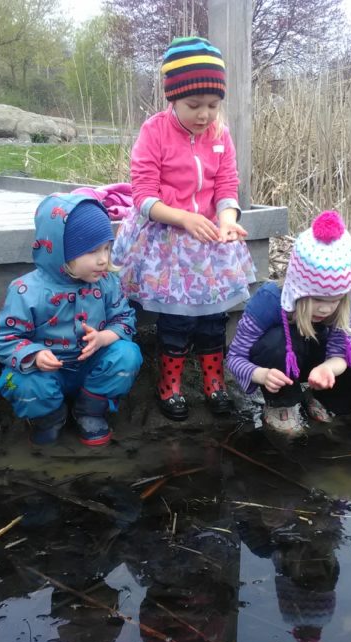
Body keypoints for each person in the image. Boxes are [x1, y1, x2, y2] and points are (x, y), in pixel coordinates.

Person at [112, 36, 256, 421]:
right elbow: (141, 196)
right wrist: (183, 217)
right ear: (172, 98)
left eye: (213, 105)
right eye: (194, 105)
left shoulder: (220, 135)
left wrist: (228, 219)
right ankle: (169, 385)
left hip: (209, 244)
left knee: (213, 318)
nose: (205, 115)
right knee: (176, 320)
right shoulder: (154, 132)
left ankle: (214, 382)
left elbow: (227, 186)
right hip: (167, 241)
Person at [0, 193, 143, 446]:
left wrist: (104, 338)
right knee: (20, 382)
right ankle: (50, 417)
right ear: (60, 251)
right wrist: (35, 355)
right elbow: (3, 337)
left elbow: (124, 318)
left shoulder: (107, 282)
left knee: (127, 354)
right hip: (46, 373)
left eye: (107, 248)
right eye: (92, 251)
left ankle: (90, 411)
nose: (103, 259)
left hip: (92, 367)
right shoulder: (26, 291)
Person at [226, 210, 351, 436]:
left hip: (314, 362)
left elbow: (340, 353)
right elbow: (234, 358)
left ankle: (325, 401)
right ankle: (282, 405)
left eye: (334, 300)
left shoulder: (345, 303)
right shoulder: (269, 300)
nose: (325, 308)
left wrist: (328, 368)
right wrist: (260, 374)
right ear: (296, 291)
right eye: (317, 299)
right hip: (279, 363)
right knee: (277, 341)